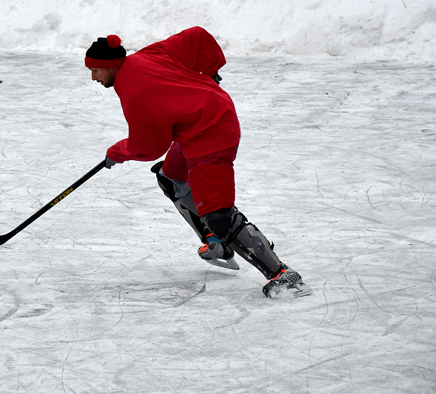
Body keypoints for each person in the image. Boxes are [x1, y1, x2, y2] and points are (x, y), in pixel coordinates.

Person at [85, 28, 311, 298]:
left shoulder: (134, 89)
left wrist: (118, 152)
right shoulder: (147, 56)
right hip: (195, 127)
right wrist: (211, 74)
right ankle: (216, 243)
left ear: (110, 66)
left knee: (219, 215)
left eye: (95, 70)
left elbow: (149, 146)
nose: (93, 77)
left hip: (212, 133)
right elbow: (197, 37)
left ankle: (283, 275)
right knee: (171, 178)